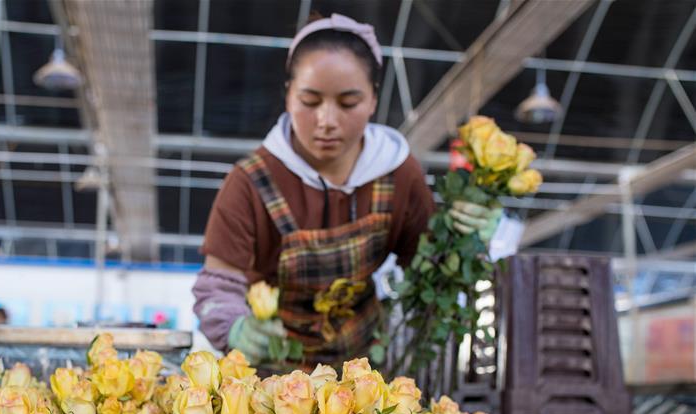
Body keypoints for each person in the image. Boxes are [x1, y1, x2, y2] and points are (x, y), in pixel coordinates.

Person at [193, 13, 501, 369]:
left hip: (364, 370)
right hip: (276, 376)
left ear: (373, 99)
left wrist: (465, 240)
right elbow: (217, 285)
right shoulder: (251, 182)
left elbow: (428, 268)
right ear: (289, 95)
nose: (327, 121)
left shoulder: (397, 172)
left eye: (348, 103)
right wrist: (234, 328)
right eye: (310, 101)